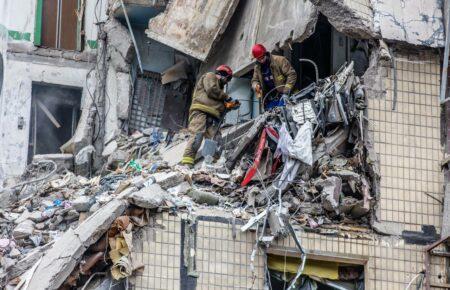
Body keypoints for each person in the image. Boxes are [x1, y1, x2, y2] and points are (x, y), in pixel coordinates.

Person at [181, 65, 238, 167]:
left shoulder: (219, 91)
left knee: (216, 141)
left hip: (213, 116)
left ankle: (210, 164)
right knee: (197, 137)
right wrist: (227, 98)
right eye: (227, 78)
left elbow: (219, 105)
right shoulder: (210, 76)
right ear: (221, 74)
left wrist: (229, 106)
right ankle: (187, 163)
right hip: (200, 111)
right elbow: (211, 90)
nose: (227, 82)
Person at [251, 43, 297, 110]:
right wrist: (256, 86)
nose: (261, 60)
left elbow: (292, 75)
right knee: (270, 116)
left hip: (285, 94)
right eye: (259, 59)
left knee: (283, 111)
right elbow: (254, 80)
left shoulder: (280, 60)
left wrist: (286, 92)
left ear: (265, 53)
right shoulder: (257, 68)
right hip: (271, 98)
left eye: (262, 57)